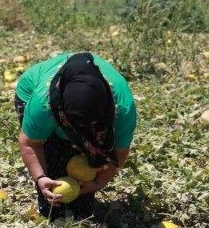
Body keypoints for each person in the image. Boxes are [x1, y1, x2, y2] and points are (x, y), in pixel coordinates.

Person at [15, 52, 136, 217]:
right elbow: (31, 143)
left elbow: (119, 152)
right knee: (53, 171)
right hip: (31, 90)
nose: (82, 130)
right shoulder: (43, 104)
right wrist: (41, 177)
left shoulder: (122, 108)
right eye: (75, 124)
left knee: (82, 206)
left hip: (91, 109)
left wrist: (98, 183)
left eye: (90, 125)